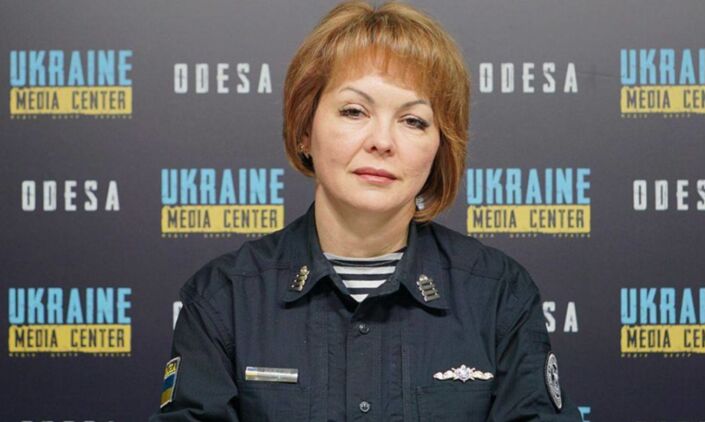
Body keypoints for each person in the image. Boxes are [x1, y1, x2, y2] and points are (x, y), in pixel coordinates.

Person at [151, 1, 581, 420]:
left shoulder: (499, 294)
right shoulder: (224, 297)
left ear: (440, 146)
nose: (382, 141)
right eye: (354, 111)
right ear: (304, 130)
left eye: (413, 120)